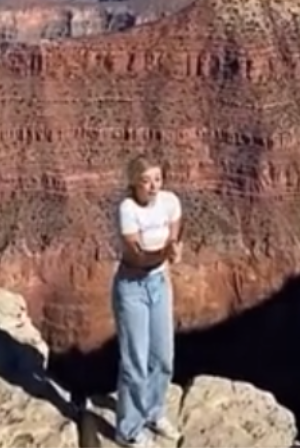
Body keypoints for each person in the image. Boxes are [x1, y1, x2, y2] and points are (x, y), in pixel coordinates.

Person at [112, 155, 184, 447]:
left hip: (159, 285)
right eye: (146, 180)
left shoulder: (170, 201)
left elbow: (175, 227)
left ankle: (153, 412)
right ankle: (128, 430)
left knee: (163, 357)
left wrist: (174, 247)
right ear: (134, 183)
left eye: (157, 178)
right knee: (135, 363)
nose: (153, 186)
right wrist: (167, 253)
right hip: (132, 287)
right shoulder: (127, 209)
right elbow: (139, 255)